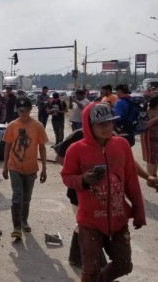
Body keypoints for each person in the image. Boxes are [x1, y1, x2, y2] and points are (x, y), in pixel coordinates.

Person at [61, 103, 146, 281]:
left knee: (124, 265)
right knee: (90, 269)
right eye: (101, 123)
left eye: (109, 122)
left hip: (118, 218)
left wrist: (139, 211)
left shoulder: (121, 145)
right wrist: (83, 179)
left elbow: (131, 180)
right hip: (89, 221)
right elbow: (67, 177)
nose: (106, 127)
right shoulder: (76, 149)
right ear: (88, 125)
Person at [54, 128, 158, 268]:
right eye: (100, 122)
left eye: (109, 119)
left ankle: (76, 257)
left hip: (109, 197)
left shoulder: (112, 136)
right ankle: (91, 264)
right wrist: (83, 175)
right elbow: (59, 158)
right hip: (82, 193)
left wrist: (147, 176)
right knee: (88, 227)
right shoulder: (79, 136)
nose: (105, 125)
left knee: (87, 227)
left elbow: (128, 162)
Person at [2, 97, 48, 239]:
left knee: (26, 198)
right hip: (14, 166)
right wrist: (5, 166)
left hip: (31, 168)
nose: (23, 112)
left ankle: (23, 221)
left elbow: (42, 147)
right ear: (17, 110)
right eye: (20, 110)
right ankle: (16, 227)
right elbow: (8, 146)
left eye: (26, 110)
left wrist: (44, 168)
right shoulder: (12, 126)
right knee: (17, 197)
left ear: (30, 109)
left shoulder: (38, 126)